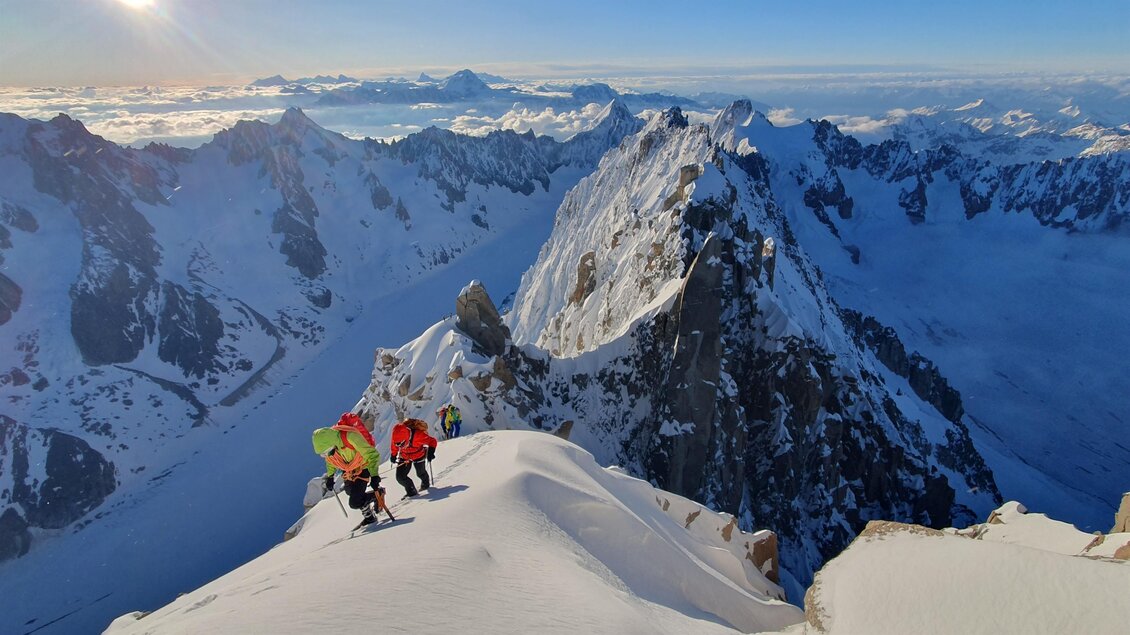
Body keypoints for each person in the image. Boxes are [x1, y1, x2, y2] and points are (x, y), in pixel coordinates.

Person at [311, 423, 385, 526]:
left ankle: (375, 503)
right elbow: (330, 461)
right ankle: (371, 511)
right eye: (323, 454)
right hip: (348, 471)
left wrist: (374, 475)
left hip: (363, 466)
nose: (327, 455)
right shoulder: (332, 449)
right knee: (350, 491)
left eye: (327, 451)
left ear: (332, 442)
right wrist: (330, 476)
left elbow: (372, 455)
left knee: (354, 502)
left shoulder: (350, 437)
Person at [389, 418, 438, 498]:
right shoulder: (397, 437)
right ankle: (411, 492)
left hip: (418, 455)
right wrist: (393, 455)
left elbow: (432, 441)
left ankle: (425, 484)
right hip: (404, 456)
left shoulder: (418, 436)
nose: (399, 446)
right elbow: (394, 446)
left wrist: (431, 452)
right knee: (400, 477)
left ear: (407, 438)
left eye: (401, 444)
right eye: (397, 444)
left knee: (420, 473)